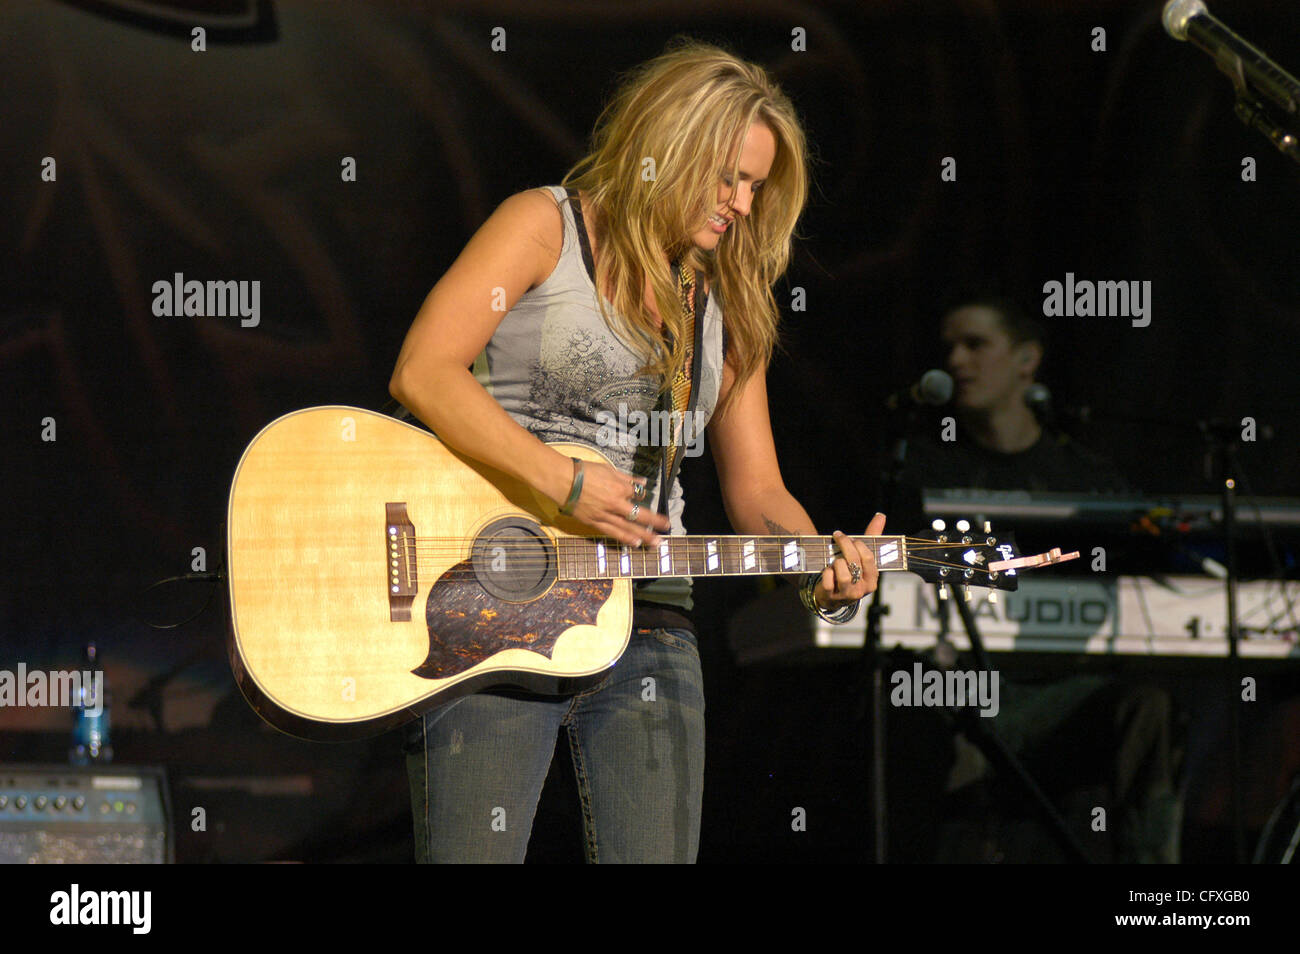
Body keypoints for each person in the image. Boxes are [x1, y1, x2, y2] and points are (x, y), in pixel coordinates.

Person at [387, 38, 886, 863]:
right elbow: (423, 372)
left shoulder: (729, 301)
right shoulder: (542, 225)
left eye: (757, 187)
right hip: (491, 588)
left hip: (650, 616)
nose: (743, 204)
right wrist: (561, 481)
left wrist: (818, 572)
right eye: (729, 176)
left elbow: (758, 490)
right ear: (670, 145)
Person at [893, 298, 1182, 863]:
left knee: (1150, 702)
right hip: (971, 687)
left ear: (1027, 360)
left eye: (976, 344)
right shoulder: (927, 471)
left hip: (1069, 692)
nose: (956, 360)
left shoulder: (1085, 476)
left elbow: (1140, 580)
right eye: (949, 347)